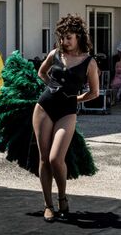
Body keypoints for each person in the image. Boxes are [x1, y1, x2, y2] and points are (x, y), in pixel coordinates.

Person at [33, 14, 100, 222]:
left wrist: (76, 99)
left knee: (55, 159)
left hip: (68, 112)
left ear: (79, 36)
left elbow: (95, 93)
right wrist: (51, 88)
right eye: (62, 38)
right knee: (44, 159)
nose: (64, 42)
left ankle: (62, 196)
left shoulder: (89, 62)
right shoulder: (55, 53)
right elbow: (41, 73)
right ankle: (48, 204)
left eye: (68, 37)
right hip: (44, 107)